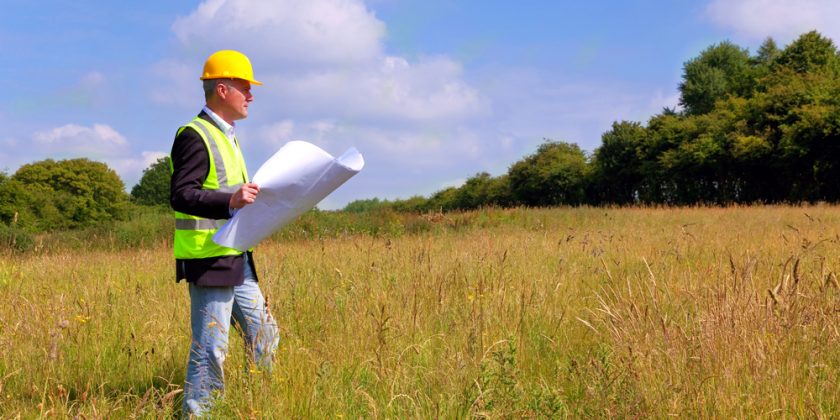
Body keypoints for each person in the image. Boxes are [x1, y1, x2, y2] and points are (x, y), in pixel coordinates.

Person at [169, 49, 279, 416]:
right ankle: (199, 414)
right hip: (209, 257)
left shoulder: (228, 135)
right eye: (244, 87)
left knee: (265, 334)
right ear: (222, 89)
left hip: (237, 256)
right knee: (211, 346)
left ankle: (257, 406)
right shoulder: (194, 134)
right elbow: (182, 194)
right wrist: (229, 200)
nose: (251, 95)